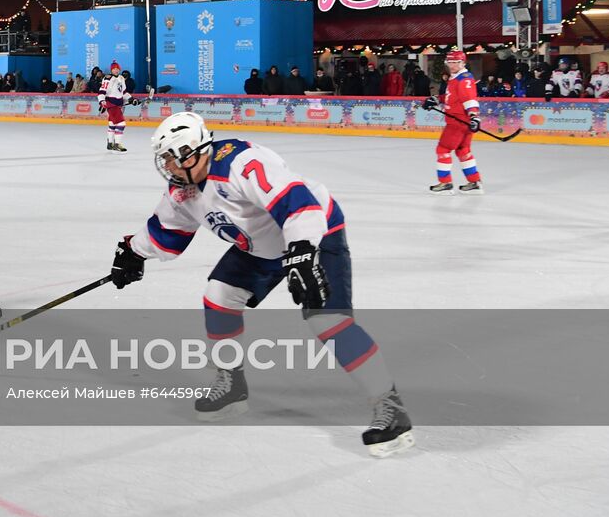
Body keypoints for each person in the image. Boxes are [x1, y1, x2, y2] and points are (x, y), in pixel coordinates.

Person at [107, 113, 413, 457]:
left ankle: (390, 407)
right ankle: (231, 383)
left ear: (191, 153)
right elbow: (167, 233)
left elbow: (296, 201)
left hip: (313, 228)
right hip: (263, 245)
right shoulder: (185, 190)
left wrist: (301, 250)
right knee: (219, 295)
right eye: (164, 161)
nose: (168, 169)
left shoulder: (241, 162)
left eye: (171, 160)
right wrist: (133, 252)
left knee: (327, 319)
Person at [421, 50, 482, 195]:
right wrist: (436, 99)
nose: (453, 65)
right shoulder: (456, 77)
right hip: (462, 121)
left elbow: (469, 99)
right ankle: (474, 182)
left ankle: (445, 183)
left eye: (456, 62)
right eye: (450, 62)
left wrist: (474, 116)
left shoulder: (464, 79)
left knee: (443, 149)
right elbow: (453, 97)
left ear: (463, 63)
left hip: (458, 121)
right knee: (463, 150)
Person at [98, 60, 135, 152]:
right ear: (111, 70)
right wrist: (102, 100)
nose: (116, 70)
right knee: (121, 123)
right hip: (111, 104)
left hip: (118, 104)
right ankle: (117, 144)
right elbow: (102, 91)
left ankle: (110, 143)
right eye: (114, 69)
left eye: (117, 68)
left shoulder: (121, 78)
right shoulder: (108, 78)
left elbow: (123, 92)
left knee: (112, 123)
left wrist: (131, 99)